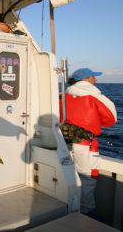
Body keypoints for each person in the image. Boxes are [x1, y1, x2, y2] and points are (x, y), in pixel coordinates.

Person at [59, 68, 117, 215]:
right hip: (86, 146)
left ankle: (69, 211)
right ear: (86, 79)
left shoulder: (62, 96)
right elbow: (111, 119)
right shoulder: (95, 96)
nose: (95, 80)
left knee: (68, 178)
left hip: (64, 144)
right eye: (93, 77)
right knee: (88, 179)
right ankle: (85, 216)